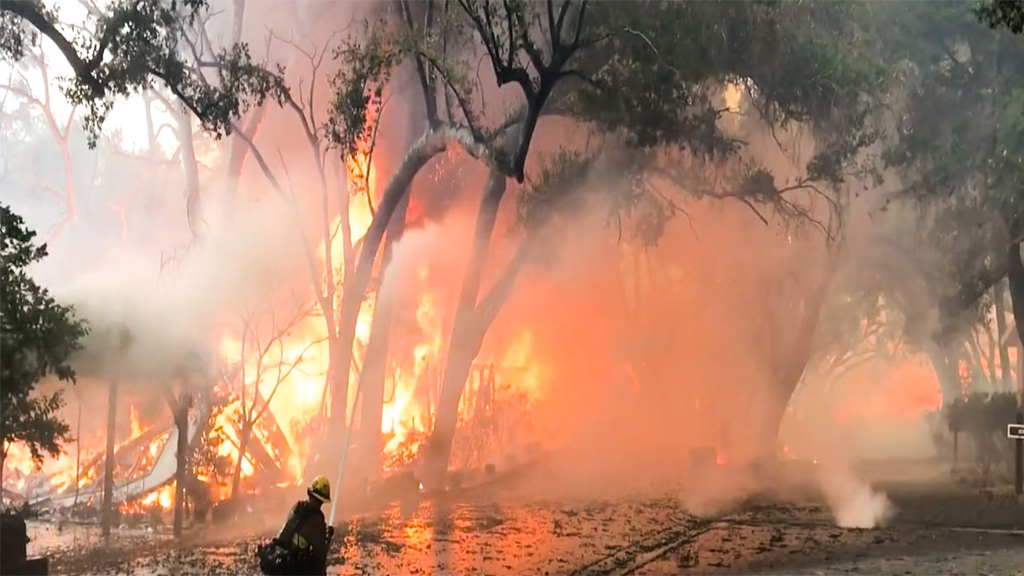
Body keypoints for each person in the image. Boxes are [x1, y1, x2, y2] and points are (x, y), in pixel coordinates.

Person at [258, 475, 335, 576]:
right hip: (293, 568)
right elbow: (320, 558)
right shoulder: (316, 521)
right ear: (323, 500)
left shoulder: (297, 508)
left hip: (281, 560)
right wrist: (328, 537)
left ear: (310, 493)